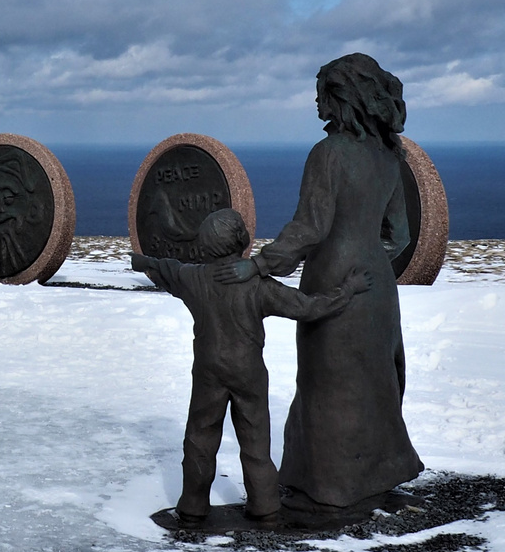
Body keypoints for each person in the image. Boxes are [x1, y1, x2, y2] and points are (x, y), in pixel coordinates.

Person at [216, 52, 425, 513]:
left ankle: (331, 484)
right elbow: (401, 237)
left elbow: (310, 228)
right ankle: (378, 474)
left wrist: (260, 265)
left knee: (328, 385)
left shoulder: (327, 154)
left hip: (332, 282)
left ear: (342, 96)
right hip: (377, 289)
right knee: (375, 383)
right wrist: (369, 261)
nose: (315, 103)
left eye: (321, 93)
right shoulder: (390, 158)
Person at [132, 208, 371, 522]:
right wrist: (349, 289)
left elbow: (165, 268)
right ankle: (264, 505)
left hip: (208, 371)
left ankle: (192, 505)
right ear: (240, 241)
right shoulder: (258, 285)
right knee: (255, 442)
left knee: (200, 438)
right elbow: (309, 307)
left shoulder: (193, 278)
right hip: (248, 373)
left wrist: (143, 261)